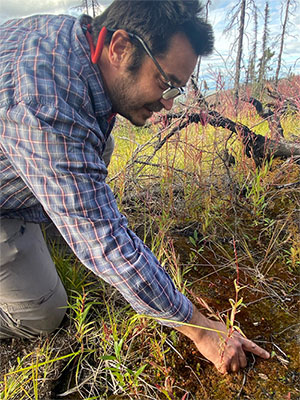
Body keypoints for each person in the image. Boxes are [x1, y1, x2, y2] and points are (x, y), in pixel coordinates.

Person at [0, 0, 269, 373]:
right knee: (44, 312)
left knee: (101, 144)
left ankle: (59, 209)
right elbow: (107, 243)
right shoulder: (46, 106)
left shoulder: (77, 43)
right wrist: (201, 330)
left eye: (177, 89)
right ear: (120, 47)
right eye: (165, 82)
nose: (166, 102)